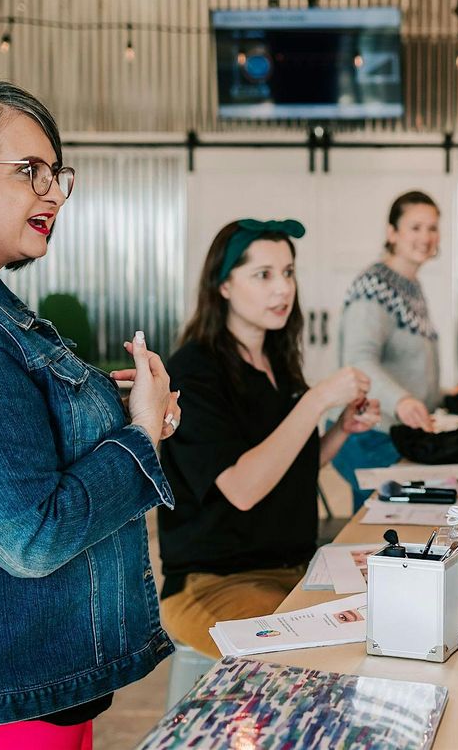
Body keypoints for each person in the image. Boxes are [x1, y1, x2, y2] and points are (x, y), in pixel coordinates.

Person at [0, 79, 179, 746]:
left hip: (32, 689)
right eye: (28, 172)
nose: (53, 194)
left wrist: (126, 412)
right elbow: (32, 537)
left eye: (57, 174)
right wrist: (139, 435)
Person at [158, 219, 379, 658]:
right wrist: (316, 401)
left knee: (389, 623)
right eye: (263, 275)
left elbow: (293, 466)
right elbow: (243, 488)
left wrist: (339, 431)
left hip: (294, 567)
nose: (282, 289)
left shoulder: (277, 359)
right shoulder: (194, 371)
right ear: (222, 286)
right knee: (317, 657)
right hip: (215, 581)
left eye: (288, 272)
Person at [334, 191, 457, 506]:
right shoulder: (374, 287)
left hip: (394, 433)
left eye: (432, 228)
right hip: (368, 433)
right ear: (392, 233)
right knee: (375, 532)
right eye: (415, 227)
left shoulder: (410, 286)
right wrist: (400, 400)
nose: (426, 237)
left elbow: (407, 366)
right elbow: (358, 361)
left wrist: (444, 394)